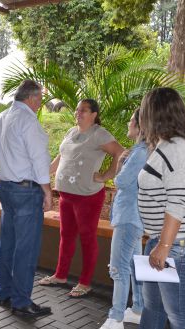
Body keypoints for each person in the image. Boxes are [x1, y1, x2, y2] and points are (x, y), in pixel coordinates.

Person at [137, 87, 185, 329]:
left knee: (177, 315)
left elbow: (177, 203)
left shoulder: (178, 148)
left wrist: (164, 246)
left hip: (178, 243)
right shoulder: (164, 146)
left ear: (154, 113)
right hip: (165, 240)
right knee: (153, 308)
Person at [38, 99, 124, 298]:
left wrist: (105, 176)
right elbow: (60, 159)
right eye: (77, 110)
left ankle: (85, 283)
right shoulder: (71, 132)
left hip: (87, 196)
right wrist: (43, 174)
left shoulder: (98, 134)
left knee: (87, 238)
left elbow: (120, 153)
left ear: (94, 114)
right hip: (67, 195)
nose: (77, 113)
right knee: (66, 236)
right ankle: (60, 275)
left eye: (83, 110)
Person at [0, 80, 53, 317]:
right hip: (26, 191)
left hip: (7, 188)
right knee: (26, 248)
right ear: (32, 98)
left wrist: (2, 169)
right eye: (40, 98)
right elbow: (40, 159)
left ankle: (4, 293)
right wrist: (47, 191)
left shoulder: (2, 117)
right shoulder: (28, 121)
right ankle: (21, 301)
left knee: (7, 244)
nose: (41, 103)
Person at [98, 109, 147, 329]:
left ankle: (115, 319)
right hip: (132, 217)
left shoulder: (139, 153)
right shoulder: (139, 150)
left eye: (131, 120)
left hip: (129, 218)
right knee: (135, 266)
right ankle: (137, 309)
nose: (128, 123)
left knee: (118, 268)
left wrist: (119, 168)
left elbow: (123, 181)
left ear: (139, 126)